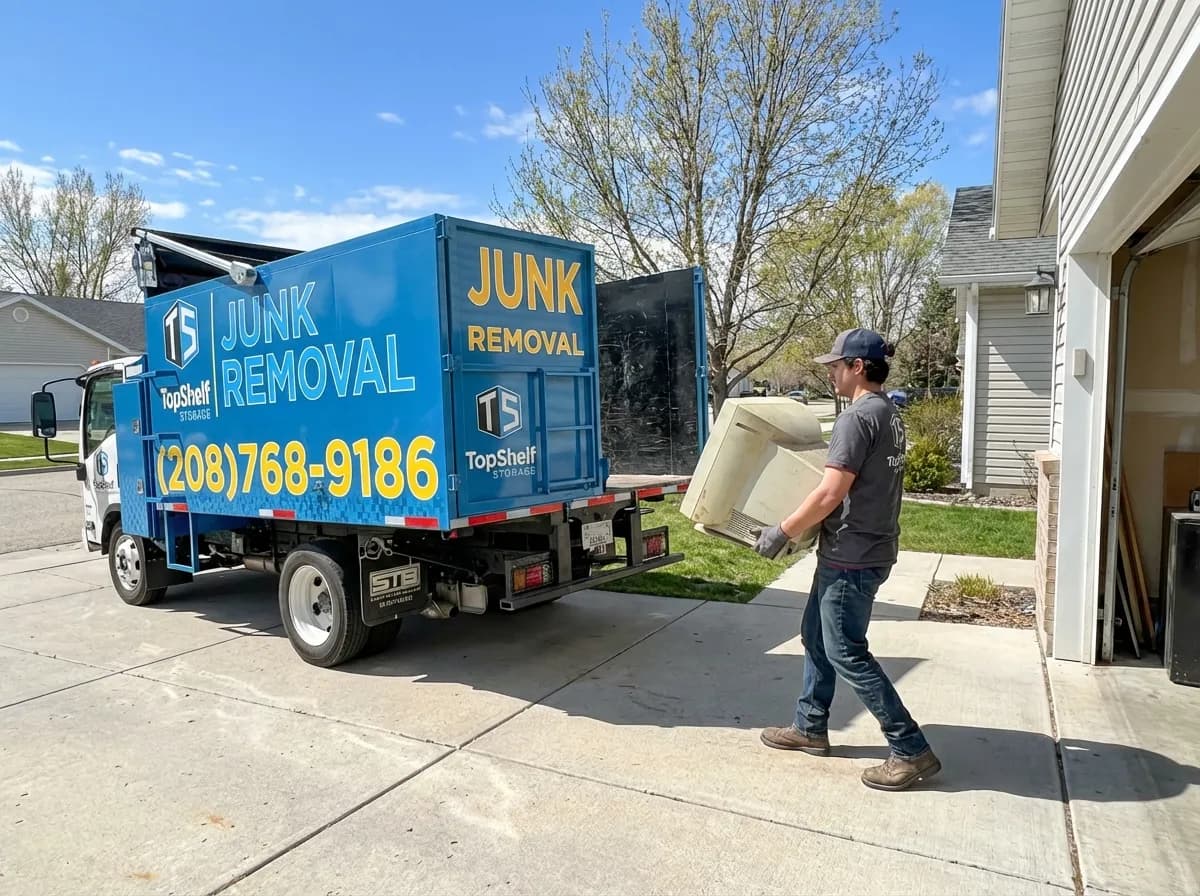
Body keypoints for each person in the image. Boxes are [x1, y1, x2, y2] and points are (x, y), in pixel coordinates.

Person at [752, 328, 940, 791]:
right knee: (816, 636)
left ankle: (910, 748)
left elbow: (830, 493)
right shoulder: (889, 413)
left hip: (851, 555)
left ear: (858, 367)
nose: (831, 374)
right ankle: (810, 726)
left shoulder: (857, 418)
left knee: (845, 651)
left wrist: (781, 531)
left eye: (836, 366)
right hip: (865, 547)